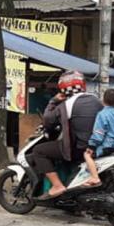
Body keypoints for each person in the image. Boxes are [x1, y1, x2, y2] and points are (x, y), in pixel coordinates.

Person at [32, 70, 103, 198]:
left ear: (63, 89)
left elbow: (48, 120)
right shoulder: (96, 100)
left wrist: (53, 101)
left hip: (78, 149)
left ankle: (57, 186)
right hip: (96, 146)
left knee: (39, 151)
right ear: (82, 84)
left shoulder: (66, 105)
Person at [83, 88, 114, 186]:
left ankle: (95, 178)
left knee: (87, 155)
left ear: (103, 101)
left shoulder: (102, 114)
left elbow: (99, 133)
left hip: (108, 147)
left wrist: (91, 146)